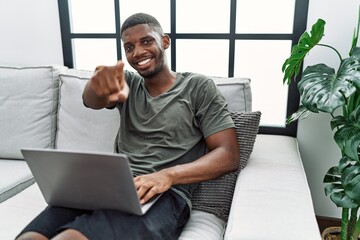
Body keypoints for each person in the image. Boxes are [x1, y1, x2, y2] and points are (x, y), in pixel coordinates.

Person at [16, 12, 239, 240]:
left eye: (146, 41)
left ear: (165, 41)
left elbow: (228, 154)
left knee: (73, 237)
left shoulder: (197, 87)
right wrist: (96, 86)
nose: (138, 52)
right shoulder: (128, 84)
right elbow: (93, 99)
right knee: (31, 237)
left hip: (165, 194)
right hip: (109, 186)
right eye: (129, 47)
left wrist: (168, 175)